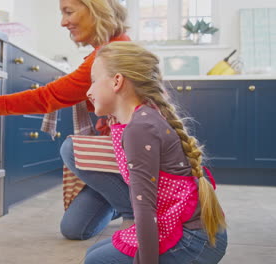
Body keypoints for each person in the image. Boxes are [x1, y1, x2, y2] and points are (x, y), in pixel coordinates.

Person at [0, 0, 134, 240]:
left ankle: (137, 213)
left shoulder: (112, 53)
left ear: (96, 9)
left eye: (68, 12)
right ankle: (119, 200)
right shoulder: (109, 48)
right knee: (75, 229)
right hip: (125, 158)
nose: (63, 22)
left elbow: (48, 96)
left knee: (73, 149)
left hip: (132, 160)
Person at [83, 41, 228, 263]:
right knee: (93, 253)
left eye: (93, 81)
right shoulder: (142, 117)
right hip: (187, 227)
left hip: (193, 240)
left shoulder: (140, 128)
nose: (89, 90)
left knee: (97, 260)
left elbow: (144, 208)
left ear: (117, 81)